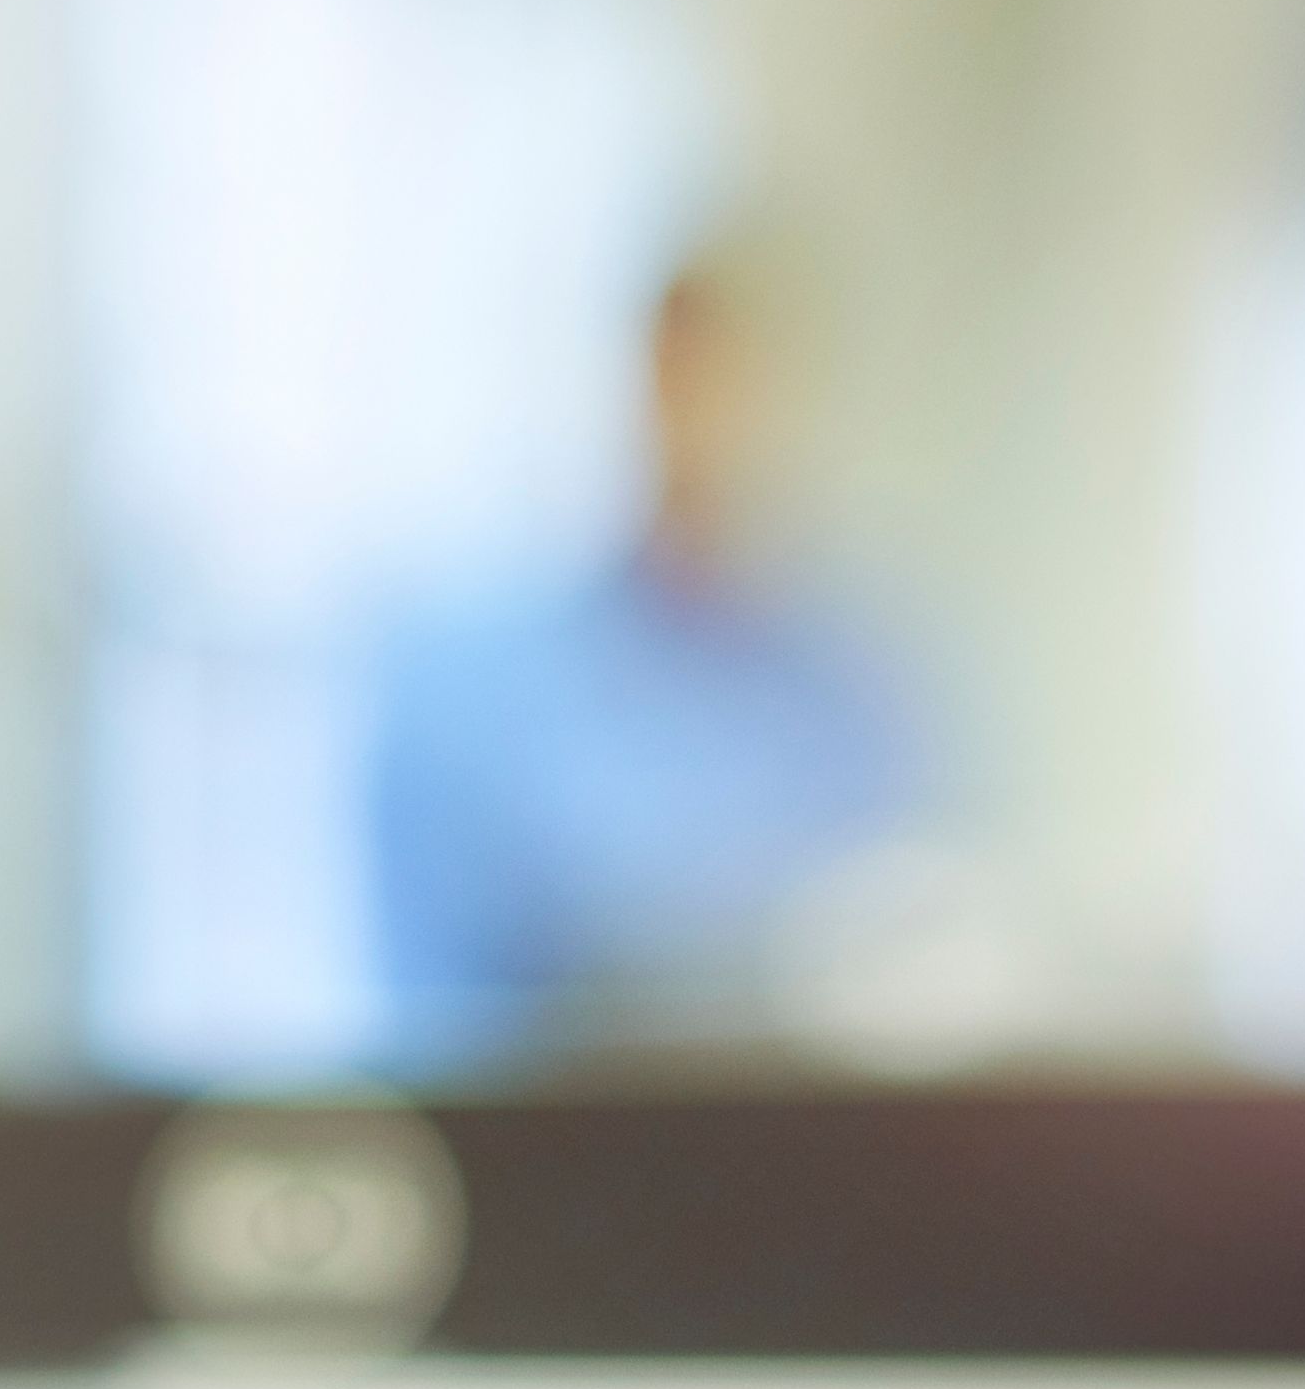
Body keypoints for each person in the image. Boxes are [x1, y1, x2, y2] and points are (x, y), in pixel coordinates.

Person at [360, 256, 931, 1076]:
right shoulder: (481, 686)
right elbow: (441, 1015)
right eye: (680, 379)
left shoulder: (865, 684)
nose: (708, 419)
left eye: (736, 383)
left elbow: (920, 952)